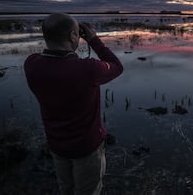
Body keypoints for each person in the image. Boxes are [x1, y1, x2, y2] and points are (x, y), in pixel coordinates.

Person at [24, 13, 123, 195]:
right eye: (77, 33)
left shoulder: (31, 64)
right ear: (72, 36)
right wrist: (93, 40)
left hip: (56, 145)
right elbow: (116, 66)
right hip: (87, 148)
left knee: (66, 189)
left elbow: (56, 65)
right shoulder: (87, 69)